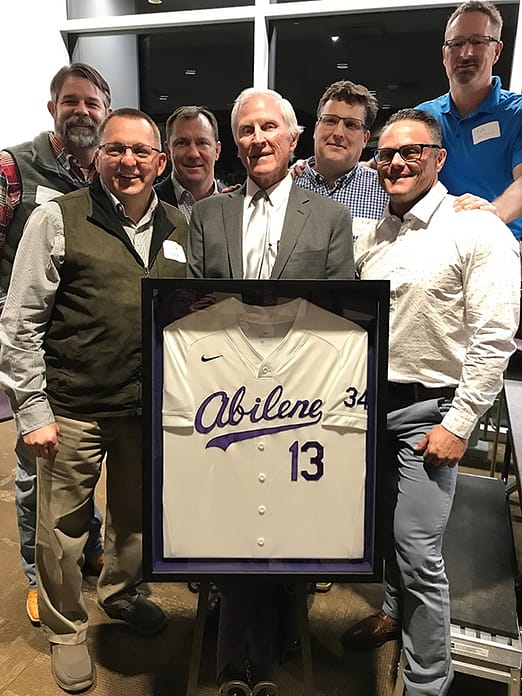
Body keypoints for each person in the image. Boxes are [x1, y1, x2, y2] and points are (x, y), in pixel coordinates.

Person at [0, 107, 188, 693]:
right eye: (115, 149)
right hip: (72, 407)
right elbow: (18, 322)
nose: (127, 162)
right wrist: (32, 410)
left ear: (160, 162)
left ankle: (123, 593)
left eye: (140, 152)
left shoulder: (181, 227)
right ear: (97, 157)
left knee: (134, 520)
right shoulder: (57, 218)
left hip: (144, 411)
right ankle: (64, 628)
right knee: (61, 528)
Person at [344, 108, 520, 696]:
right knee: (386, 533)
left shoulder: (477, 229)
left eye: (411, 151)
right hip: (369, 408)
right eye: (385, 154)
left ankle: (427, 682)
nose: (395, 162)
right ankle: (393, 613)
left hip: (432, 413)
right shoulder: (372, 236)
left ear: (438, 158)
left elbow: (496, 337)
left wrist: (461, 422)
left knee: (419, 550)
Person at [187, 87, 354, 695]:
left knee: (289, 530)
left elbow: (341, 314)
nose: (257, 140)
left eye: (268, 129)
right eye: (246, 132)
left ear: (292, 136)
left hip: (301, 407)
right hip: (224, 408)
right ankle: (234, 668)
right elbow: (193, 312)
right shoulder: (208, 215)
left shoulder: (330, 217)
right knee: (234, 529)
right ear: (237, 145)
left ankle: (278, 650)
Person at [0, 62, 112, 625]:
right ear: (53, 109)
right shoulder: (13, 167)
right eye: (71, 102)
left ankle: (87, 552)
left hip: (83, 352)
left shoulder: (111, 173)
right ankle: (34, 575)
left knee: (77, 469)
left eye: (92, 103)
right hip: (29, 349)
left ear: (106, 112)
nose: (82, 112)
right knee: (33, 475)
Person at [416, 1, 522, 243]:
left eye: (477, 42)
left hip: (505, 244)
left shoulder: (517, 113)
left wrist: (492, 214)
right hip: (440, 246)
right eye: (456, 43)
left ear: (496, 51)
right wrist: (312, 166)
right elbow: (380, 164)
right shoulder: (424, 116)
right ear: (444, 53)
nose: (465, 53)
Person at [294, 79, 388, 240]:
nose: (338, 133)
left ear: (365, 139)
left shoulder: (386, 194)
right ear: (316, 129)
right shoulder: (285, 186)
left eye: (351, 125)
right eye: (330, 120)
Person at [155, 105, 223, 221]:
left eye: (202, 143)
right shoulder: (149, 203)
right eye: (182, 143)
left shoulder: (236, 204)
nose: (193, 154)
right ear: (168, 150)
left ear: (217, 151)